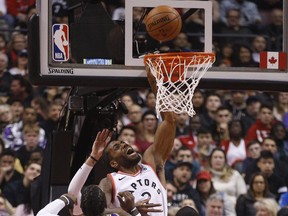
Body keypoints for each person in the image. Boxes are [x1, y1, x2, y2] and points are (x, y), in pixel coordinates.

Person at [98, 69, 176, 215]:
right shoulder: (110, 181)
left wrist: (155, 82)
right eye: (117, 146)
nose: (124, 144)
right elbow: (100, 212)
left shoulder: (151, 164)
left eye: (123, 143)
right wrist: (128, 210)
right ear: (114, 163)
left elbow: (169, 121)